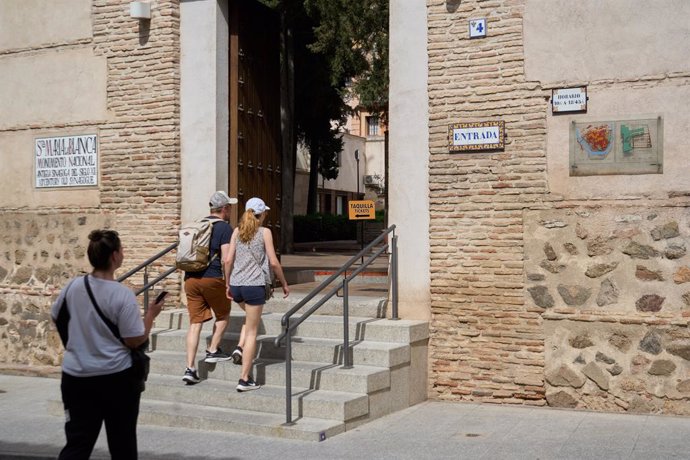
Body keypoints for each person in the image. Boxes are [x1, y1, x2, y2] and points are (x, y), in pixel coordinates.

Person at [51, 229, 164, 460]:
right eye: (122, 250)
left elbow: (56, 315)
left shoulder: (73, 286)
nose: (123, 253)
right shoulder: (122, 295)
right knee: (122, 444)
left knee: (77, 444)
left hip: (76, 376)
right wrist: (151, 314)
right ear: (114, 256)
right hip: (116, 379)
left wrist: (76, 344)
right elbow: (134, 339)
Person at [225, 197, 289, 392]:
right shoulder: (264, 232)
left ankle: (239, 347)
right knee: (253, 331)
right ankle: (245, 378)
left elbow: (228, 260)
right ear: (262, 214)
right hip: (254, 286)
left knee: (250, 319)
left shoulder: (237, 231)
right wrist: (284, 283)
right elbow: (273, 262)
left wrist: (227, 283)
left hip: (237, 285)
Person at [182, 190, 238, 384]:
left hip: (190, 279)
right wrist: (229, 282)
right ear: (223, 209)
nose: (231, 210)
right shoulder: (224, 228)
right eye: (229, 207)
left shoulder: (197, 224)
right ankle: (213, 349)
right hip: (212, 278)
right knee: (223, 314)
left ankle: (190, 368)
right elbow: (226, 259)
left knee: (195, 324)